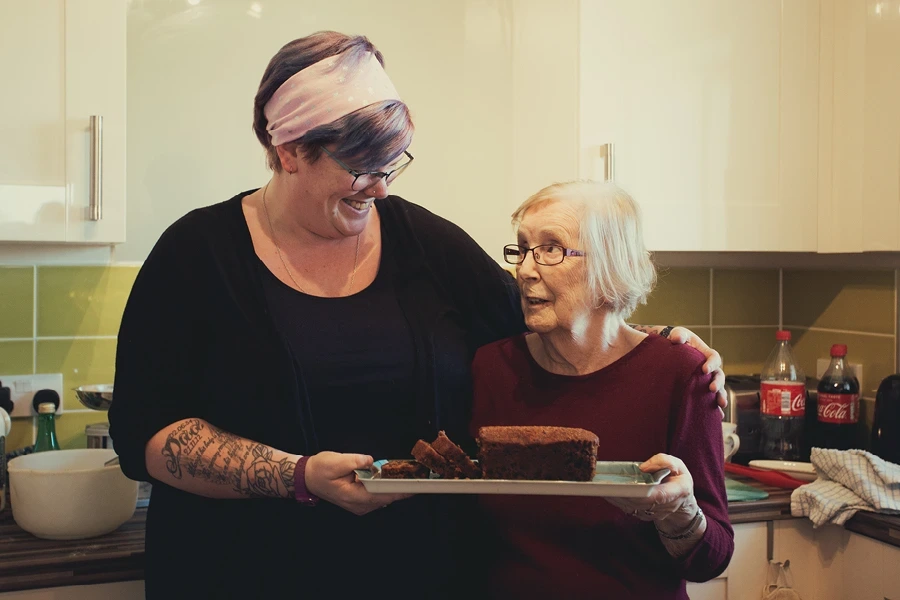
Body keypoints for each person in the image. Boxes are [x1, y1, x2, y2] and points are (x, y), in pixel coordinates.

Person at [108, 32, 726, 599]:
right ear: (290, 150)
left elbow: (542, 315)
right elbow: (147, 438)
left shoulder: (426, 246)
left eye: (391, 165)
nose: (379, 188)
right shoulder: (198, 255)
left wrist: (653, 340)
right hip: (239, 575)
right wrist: (296, 476)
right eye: (360, 167)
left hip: (415, 576)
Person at [470, 181, 734, 600]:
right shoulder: (491, 367)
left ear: (609, 266)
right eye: (522, 248)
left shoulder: (681, 374)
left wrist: (678, 516)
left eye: (551, 248)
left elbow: (711, 559)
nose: (524, 269)